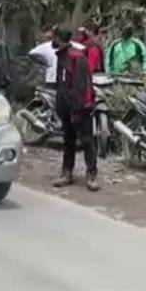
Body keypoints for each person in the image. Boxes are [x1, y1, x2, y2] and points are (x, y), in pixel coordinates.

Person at [51, 28, 100, 192]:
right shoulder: (62, 56)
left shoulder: (76, 57)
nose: (53, 41)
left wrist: (78, 109)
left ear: (59, 38)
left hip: (80, 109)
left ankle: (91, 175)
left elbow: (82, 86)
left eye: (54, 38)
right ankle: (67, 173)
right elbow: (61, 85)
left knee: (87, 141)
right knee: (68, 141)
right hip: (66, 107)